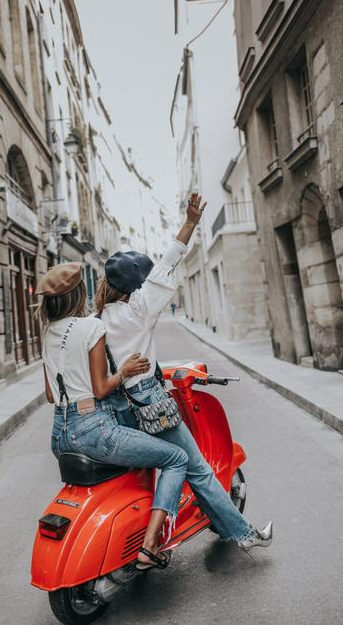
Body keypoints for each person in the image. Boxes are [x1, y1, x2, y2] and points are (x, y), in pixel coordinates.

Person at [95, 193, 273, 552]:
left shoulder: (100, 319)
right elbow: (166, 266)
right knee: (197, 468)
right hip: (150, 405)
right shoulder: (138, 311)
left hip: (117, 407)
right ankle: (243, 534)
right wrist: (190, 222)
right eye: (143, 282)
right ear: (135, 286)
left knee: (156, 468)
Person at [37, 262, 189, 570]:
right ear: (79, 294)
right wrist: (124, 372)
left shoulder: (47, 333)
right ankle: (149, 546)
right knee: (176, 458)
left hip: (59, 433)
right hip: (93, 430)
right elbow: (101, 388)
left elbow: (51, 395)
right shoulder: (91, 327)